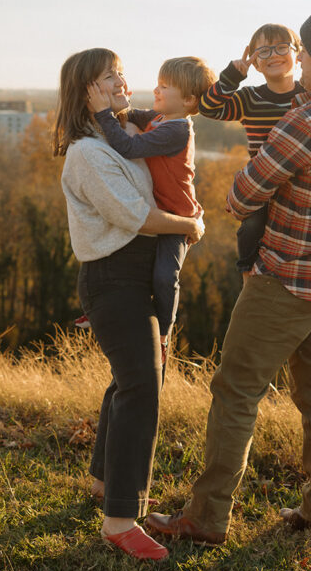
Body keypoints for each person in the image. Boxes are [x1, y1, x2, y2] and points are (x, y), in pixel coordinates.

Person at [146, 10, 311, 545]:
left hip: (285, 281)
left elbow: (239, 198)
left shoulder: (304, 122)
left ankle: (205, 519)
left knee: (236, 391)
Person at [54, 47, 204, 561]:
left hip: (139, 275)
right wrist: (191, 225)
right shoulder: (87, 154)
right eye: (107, 77)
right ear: (85, 92)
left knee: (130, 380)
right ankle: (120, 519)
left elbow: (166, 183)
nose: (121, 81)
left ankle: (102, 482)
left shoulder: (123, 140)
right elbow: (138, 216)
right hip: (113, 280)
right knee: (143, 385)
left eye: (119, 72)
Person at [198, 22, 311, 274]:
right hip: (265, 180)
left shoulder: (310, 92)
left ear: (298, 54)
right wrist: (232, 77)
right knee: (252, 225)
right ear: (254, 61)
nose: (273, 55)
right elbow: (209, 108)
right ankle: (247, 267)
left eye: (281, 48)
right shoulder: (249, 98)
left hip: (305, 179)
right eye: (263, 51)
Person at [84, 56, 216, 360]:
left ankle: (164, 333)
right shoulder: (159, 118)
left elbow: (128, 148)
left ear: (187, 100)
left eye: (164, 86)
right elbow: (130, 113)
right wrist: (116, 102)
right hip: (160, 212)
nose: (156, 90)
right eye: (157, 83)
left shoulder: (177, 130)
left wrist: (103, 112)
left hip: (178, 217)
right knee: (133, 269)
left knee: (164, 276)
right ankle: (104, 310)